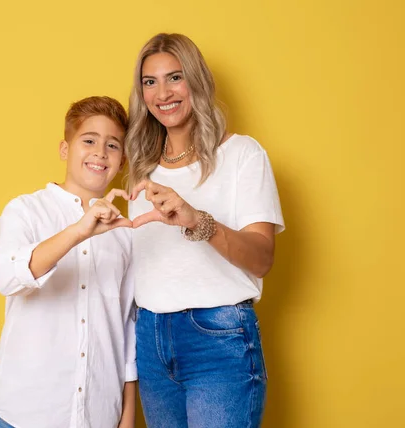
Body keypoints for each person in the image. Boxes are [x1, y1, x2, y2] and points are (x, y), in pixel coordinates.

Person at [125, 33, 285, 428]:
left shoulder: (242, 155)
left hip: (217, 337)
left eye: (175, 77)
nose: (163, 92)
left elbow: (263, 258)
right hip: (150, 338)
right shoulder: (139, 168)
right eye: (150, 81)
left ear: (196, 80)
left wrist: (198, 221)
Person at [0, 96, 137, 428]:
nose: (100, 152)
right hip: (24, 414)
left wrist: (127, 419)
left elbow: (127, 331)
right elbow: (5, 277)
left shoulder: (126, 236)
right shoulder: (25, 210)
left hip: (99, 417)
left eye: (112, 145)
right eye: (89, 141)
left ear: (122, 161)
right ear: (65, 150)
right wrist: (79, 231)